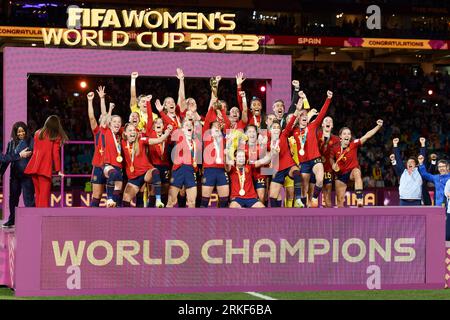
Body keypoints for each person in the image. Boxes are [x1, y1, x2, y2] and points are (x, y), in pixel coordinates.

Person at [292, 90, 333, 207]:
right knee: (304, 189)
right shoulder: (294, 131)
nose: (304, 117)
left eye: (306, 115)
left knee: (320, 178)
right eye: (302, 115)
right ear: (298, 119)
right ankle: (306, 207)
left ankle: (315, 197)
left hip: (315, 159)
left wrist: (328, 99)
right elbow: (289, 122)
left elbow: (322, 113)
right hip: (303, 162)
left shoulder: (312, 126)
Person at [330, 120, 384, 208]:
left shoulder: (354, 144)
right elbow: (331, 158)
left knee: (357, 172)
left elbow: (367, 136)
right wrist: (333, 165)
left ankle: (359, 199)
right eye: (344, 134)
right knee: (340, 203)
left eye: (349, 134)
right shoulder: (335, 148)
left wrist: (378, 126)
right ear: (340, 136)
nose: (347, 135)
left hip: (351, 172)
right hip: (340, 175)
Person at [121, 123, 172, 208]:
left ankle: (158, 200)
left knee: (155, 171)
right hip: (134, 177)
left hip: (146, 173)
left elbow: (159, 140)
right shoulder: (122, 143)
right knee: (126, 199)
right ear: (125, 133)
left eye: (134, 130)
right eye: (130, 130)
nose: (133, 132)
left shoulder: (141, 140)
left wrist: (167, 133)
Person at [24, 115, 68, 207]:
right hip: (44, 168)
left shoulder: (37, 133)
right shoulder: (55, 136)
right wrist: (58, 170)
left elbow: (35, 151)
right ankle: (42, 219)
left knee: (38, 195)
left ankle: (37, 219)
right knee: (44, 197)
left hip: (34, 167)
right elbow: (55, 154)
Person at [0, 122, 34, 228]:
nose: (21, 133)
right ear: (15, 132)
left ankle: (31, 220)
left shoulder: (31, 141)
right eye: (18, 131)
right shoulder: (11, 143)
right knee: (13, 199)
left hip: (27, 175)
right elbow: (6, 160)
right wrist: (1, 173)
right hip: (14, 176)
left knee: (28, 199)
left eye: (23, 131)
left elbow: (33, 155)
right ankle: (12, 220)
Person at [87, 88, 108, 207]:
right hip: (98, 165)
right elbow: (91, 117)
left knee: (114, 197)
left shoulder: (111, 131)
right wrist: (90, 101)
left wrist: (102, 98)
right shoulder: (97, 131)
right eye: (102, 119)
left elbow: (105, 114)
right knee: (97, 196)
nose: (104, 119)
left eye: (106, 118)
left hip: (111, 165)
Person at [390, 137, 423, 206]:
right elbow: (398, 159)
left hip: (416, 201)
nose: (409, 163)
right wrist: (395, 145)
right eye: (408, 162)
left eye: (412, 162)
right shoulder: (403, 171)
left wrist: (423, 145)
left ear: (416, 164)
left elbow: (421, 158)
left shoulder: (419, 171)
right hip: (403, 201)